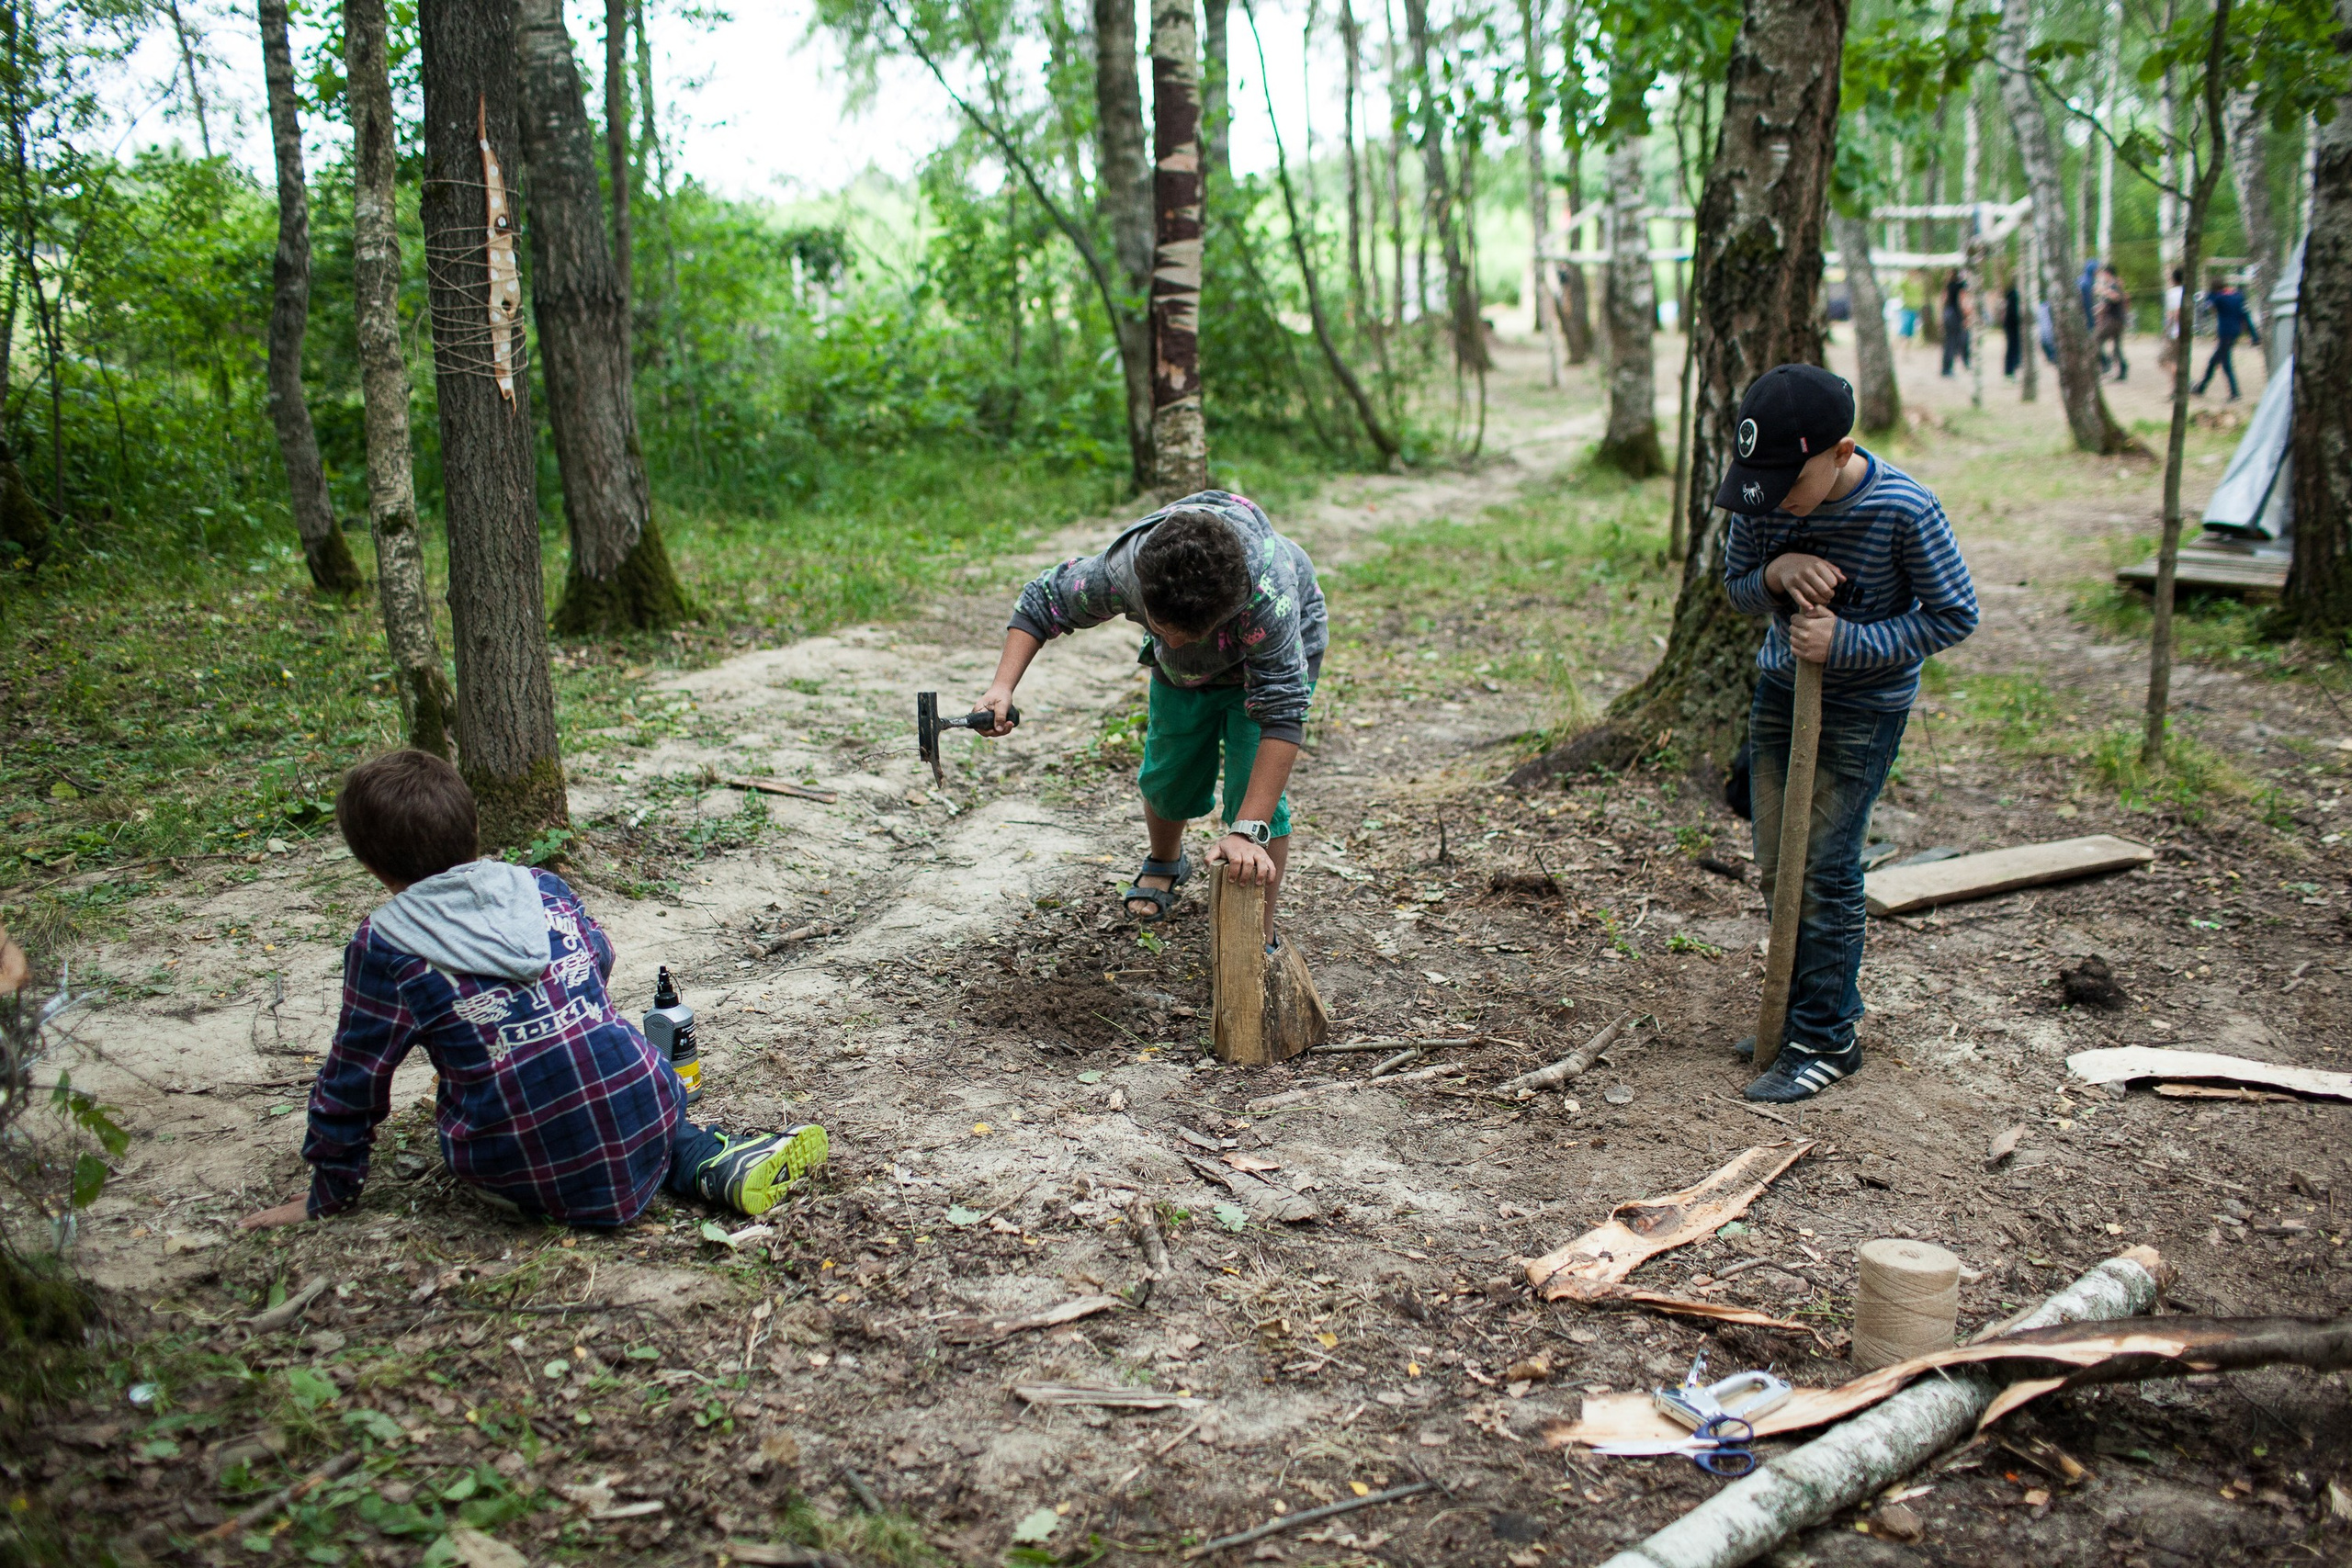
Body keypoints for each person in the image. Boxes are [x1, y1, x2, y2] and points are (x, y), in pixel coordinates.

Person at [237, 750, 828, 1233]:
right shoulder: (540, 886)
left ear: (369, 862)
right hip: (645, 1097)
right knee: (633, 1098)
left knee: (542, 1119)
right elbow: (598, 956)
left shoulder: (386, 945)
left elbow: (354, 1077)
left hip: (521, 1157)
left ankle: (614, 1175)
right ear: (473, 828)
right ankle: (707, 1161)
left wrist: (329, 1191)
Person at [1715, 365, 1980, 1102]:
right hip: (1781, 695)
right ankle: (1792, 1012)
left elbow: (1955, 613)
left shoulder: (1905, 509)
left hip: (1863, 710)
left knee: (1826, 868)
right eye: (1757, 484)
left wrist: (1848, 645)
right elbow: (1736, 586)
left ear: (1840, 452)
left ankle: (1829, 1034)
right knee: (1777, 862)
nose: (1770, 501)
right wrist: (1776, 569)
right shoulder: (1761, 492)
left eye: (1786, 484)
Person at [974, 491, 1323, 942]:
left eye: (1186, 634)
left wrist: (1247, 831)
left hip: (1267, 666)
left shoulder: (1266, 597)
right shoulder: (1125, 571)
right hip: (1184, 678)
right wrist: (1001, 687)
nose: (1172, 643)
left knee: (1252, 793)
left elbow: (1284, 712)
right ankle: (1164, 859)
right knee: (1168, 775)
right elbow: (1043, 601)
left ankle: (1257, 931)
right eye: (1160, 631)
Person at [2195, 277, 2260, 400]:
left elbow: (2206, 305)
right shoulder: (2238, 296)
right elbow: (2245, 316)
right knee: (2214, 361)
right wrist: (2254, 336)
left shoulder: (2218, 298)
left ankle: (2234, 393)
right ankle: (2201, 388)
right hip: (2235, 332)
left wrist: (2209, 294)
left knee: (2225, 363)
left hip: (2225, 333)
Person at [2094, 265, 2131, 381]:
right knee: (2116, 346)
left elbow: (2116, 297)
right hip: (2116, 319)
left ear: (2108, 274)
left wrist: (2102, 290)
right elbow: (2107, 303)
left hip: (2114, 320)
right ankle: (2122, 369)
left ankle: (2105, 363)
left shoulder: (2114, 285)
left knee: (2096, 339)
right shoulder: (2113, 285)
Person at [1939, 271, 1970, 377]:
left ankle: (1946, 368)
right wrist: (1966, 316)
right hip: (1955, 315)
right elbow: (1963, 301)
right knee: (1955, 341)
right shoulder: (1961, 285)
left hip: (1947, 313)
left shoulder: (1947, 285)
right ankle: (1949, 369)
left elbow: (1943, 299)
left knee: (1949, 342)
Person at [2160, 266, 2186, 373]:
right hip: (2184, 330)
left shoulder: (2172, 293)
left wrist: (2166, 330)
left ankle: (2177, 382)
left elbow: (2173, 313)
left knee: (2165, 359)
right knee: (2179, 359)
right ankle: (2177, 384)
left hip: (2174, 331)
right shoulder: (2186, 292)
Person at [2001, 281, 2022, 378]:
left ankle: (2012, 368)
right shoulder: (2015, 295)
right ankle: (2010, 371)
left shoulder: (2011, 295)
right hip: (2013, 325)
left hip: (2010, 325)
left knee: (2013, 348)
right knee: (2012, 348)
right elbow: (2014, 313)